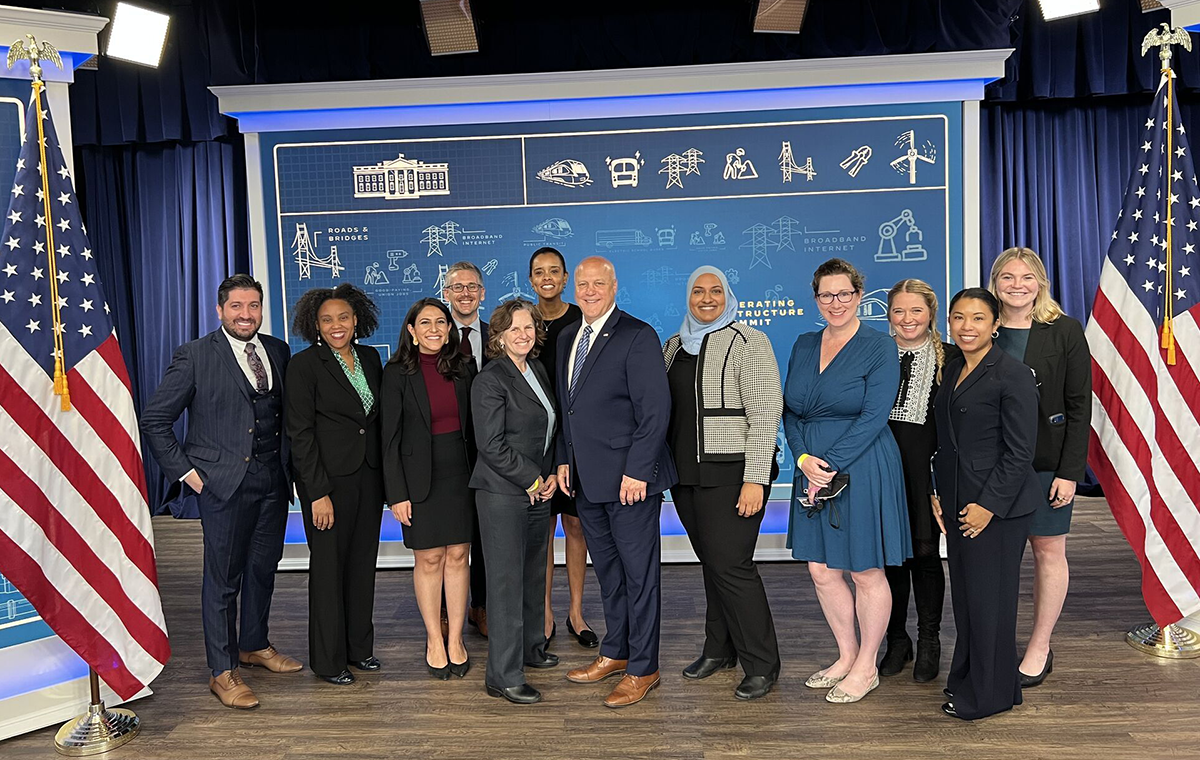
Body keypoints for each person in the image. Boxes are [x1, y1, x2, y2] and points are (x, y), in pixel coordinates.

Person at [141, 274, 302, 710]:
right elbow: (155, 420)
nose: (246, 314)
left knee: (263, 570)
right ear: (220, 310)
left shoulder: (277, 350)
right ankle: (222, 670)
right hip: (221, 486)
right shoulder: (194, 356)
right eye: (237, 306)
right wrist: (188, 476)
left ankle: (253, 645)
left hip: (272, 481)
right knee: (222, 581)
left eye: (253, 306)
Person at [783, 258, 910, 705]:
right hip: (812, 465)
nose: (835, 303)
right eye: (826, 295)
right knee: (821, 569)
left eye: (844, 294)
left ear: (859, 296)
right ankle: (846, 655)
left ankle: (867, 666)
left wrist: (829, 464)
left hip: (863, 464)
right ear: (815, 299)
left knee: (865, 569)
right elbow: (791, 410)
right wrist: (802, 459)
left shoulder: (879, 345)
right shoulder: (802, 343)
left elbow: (874, 416)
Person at [557, 256, 677, 709]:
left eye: (598, 283)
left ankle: (644, 668)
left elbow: (655, 412)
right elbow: (568, 409)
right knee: (608, 574)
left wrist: (638, 471)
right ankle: (617, 651)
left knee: (639, 576)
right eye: (583, 284)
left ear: (614, 286)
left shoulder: (637, 335)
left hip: (630, 482)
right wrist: (565, 460)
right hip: (586, 481)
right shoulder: (569, 336)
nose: (589, 291)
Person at [662, 266, 783, 701]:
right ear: (688, 296)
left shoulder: (748, 341)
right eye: (698, 290)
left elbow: (767, 412)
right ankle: (719, 649)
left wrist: (755, 478)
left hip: (733, 475)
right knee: (713, 565)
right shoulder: (673, 346)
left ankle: (762, 664)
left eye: (716, 291)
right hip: (686, 476)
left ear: (728, 295)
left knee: (732, 567)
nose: (706, 298)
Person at [933, 288, 1041, 720]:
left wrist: (988, 506)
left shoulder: (1011, 373)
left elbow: (1020, 453)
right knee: (968, 599)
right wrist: (939, 492)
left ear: (996, 324)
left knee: (990, 602)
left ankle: (989, 696)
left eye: (978, 319)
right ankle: (970, 681)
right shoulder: (954, 367)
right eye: (959, 318)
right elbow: (947, 443)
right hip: (958, 500)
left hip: (997, 508)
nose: (966, 327)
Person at [989, 247, 1091, 688]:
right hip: (992, 467)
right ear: (995, 283)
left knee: (1048, 552)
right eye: (1008, 277)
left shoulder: (1064, 330)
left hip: (1048, 465)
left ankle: (1039, 646)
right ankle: (994, 645)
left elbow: (1079, 405)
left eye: (1026, 277)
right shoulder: (981, 328)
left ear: (1041, 283)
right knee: (998, 559)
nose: (1017, 285)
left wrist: (1070, 472)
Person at [284, 284, 385, 685]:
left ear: (356, 318)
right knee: (328, 572)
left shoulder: (371, 358)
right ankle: (329, 661)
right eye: (327, 320)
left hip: (368, 478)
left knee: (362, 567)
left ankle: (360, 649)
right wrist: (317, 493)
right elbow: (300, 434)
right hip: (327, 485)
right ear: (315, 325)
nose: (336, 325)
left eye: (343, 317)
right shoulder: (304, 365)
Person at [470, 300, 562, 704]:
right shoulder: (490, 380)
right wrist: (533, 478)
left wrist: (551, 475)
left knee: (531, 576)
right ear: (499, 336)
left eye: (528, 328)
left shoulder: (536, 369)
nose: (523, 335)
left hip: (539, 491)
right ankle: (503, 676)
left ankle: (530, 650)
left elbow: (551, 427)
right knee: (505, 585)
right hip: (503, 494)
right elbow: (490, 444)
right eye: (514, 329)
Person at [381, 298, 476, 680]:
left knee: (458, 555)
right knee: (429, 559)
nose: (434, 329)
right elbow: (388, 439)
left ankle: (456, 639)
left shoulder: (464, 367)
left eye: (441, 321)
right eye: (425, 323)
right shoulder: (395, 373)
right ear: (411, 330)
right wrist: (396, 494)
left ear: (450, 328)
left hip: (462, 476)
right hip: (418, 478)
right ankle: (434, 640)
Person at [880, 279, 961, 683]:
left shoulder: (952, 358)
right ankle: (896, 641)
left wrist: (939, 484)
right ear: (888, 315)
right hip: (881, 468)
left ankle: (929, 639)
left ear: (930, 313)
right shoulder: (874, 354)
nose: (907, 318)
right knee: (889, 558)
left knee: (925, 555)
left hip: (926, 473)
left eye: (916, 310)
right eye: (899, 311)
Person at [528, 246, 597, 649]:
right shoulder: (523, 321)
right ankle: (544, 613)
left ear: (566, 277)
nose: (547, 277)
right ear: (532, 280)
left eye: (555, 271)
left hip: (575, 439)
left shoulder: (581, 318)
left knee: (575, 525)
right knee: (542, 529)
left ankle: (575, 610)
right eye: (540, 272)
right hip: (535, 441)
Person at [444, 261, 491, 638]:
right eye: (457, 287)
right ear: (447, 294)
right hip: (447, 457)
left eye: (472, 287)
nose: (465, 293)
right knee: (451, 538)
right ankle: (448, 612)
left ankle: (482, 606)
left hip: (491, 455)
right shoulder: (432, 337)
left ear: (482, 294)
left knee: (486, 535)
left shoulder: (498, 338)